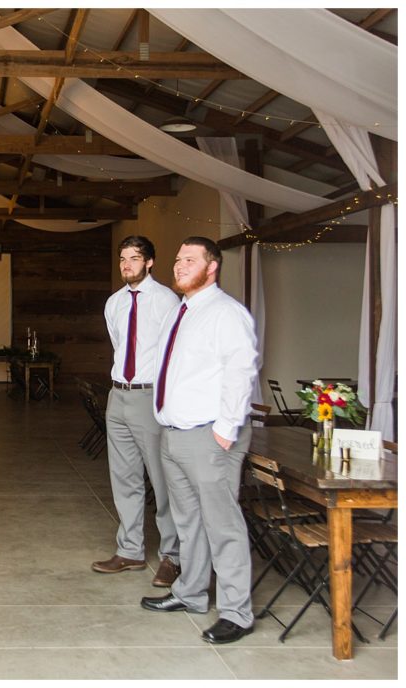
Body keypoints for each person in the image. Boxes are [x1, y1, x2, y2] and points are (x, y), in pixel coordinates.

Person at [140, 236, 259, 646]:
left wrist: (225, 431)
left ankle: (236, 613)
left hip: (210, 437)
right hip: (174, 435)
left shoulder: (227, 313)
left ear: (212, 267)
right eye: (177, 259)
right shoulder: (181, 312)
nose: (178, 265)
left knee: (222, 526)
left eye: (190, 259)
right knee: (187, 523)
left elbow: (241, 370)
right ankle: (190, 593)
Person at [93, 236, 181, 587]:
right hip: (119, 395)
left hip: (150, 397)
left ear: (150, 263)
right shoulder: (113, 303)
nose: (126, 264)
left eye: (134, 258)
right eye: (122, 258)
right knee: (124, 477)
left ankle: (172, 556)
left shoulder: (166, 301)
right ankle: (129, 549)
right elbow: (119, 346)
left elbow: (173, 353)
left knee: (162, 480)